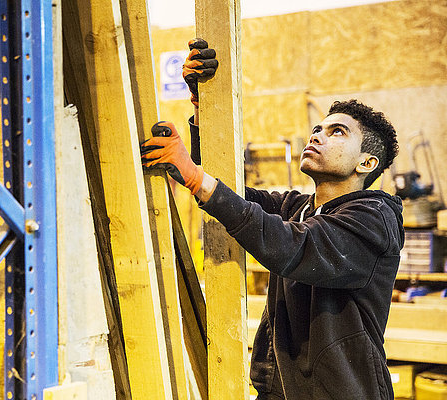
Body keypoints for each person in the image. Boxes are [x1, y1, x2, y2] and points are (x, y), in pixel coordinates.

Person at [141, 38, 404, 399]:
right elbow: (230, 192)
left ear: (366, 163)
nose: (317, 136)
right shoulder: (298, 208)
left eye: (337, 132)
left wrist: (195, 176)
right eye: (317, 129)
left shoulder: (373, 219)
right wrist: (204, 102)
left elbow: (292, 247)